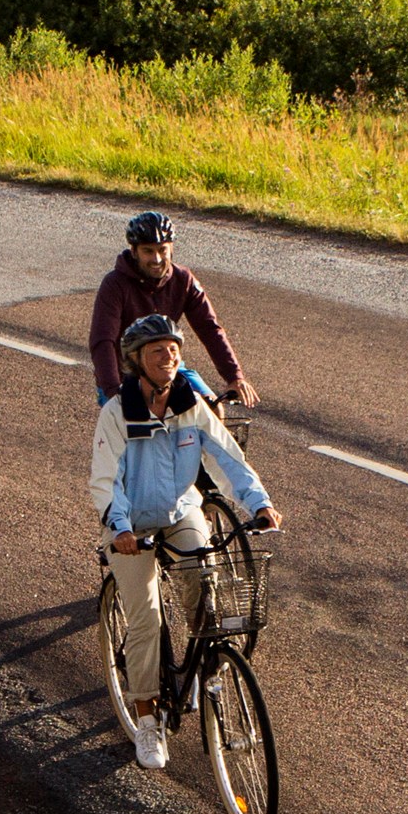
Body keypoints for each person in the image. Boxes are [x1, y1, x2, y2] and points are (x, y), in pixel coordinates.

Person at [92, 314, 279, 769]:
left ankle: (205, 672)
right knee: (146, 621)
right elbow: (105, 481)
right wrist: (120, 530)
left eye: (173, 348)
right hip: (131, 525)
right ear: (137, 361)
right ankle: (148, 718)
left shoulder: (190, 403)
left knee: (206, 590)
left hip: (180, 512)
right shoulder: (117, 412)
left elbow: (228, 459)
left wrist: (259, 503)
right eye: (158, 350)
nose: (169, 356)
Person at [87, 212, 254, 406]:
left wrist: (234, 377)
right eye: (148, 251)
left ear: (171, 248)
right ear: (134, 251)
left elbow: (209, 329)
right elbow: (102, 340)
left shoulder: (183, 280)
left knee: (212, 409)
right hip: (126, 375)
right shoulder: (115, 284)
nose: (157, 259)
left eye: (162, 250)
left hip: (169, 370)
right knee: (140, 428)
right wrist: (112, 390)